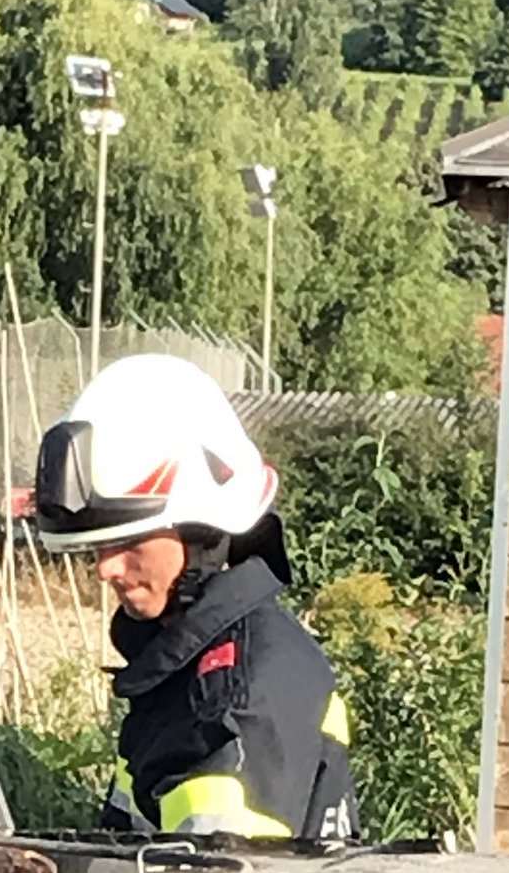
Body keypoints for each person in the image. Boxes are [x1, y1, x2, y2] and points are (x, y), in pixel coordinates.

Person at [33, 354, 359, 841]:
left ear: (202, 531)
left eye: (129, 542)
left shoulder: (238, 699)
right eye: (98, 547)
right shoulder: (186, 665)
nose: (106, 568)